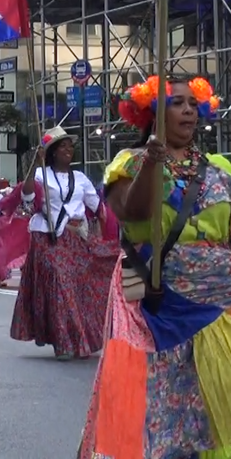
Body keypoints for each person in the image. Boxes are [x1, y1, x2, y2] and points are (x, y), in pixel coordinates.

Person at [79, 76, 231, 458]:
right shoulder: (129, 163)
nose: (188, 111)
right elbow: (133, 211)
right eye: (177, 103)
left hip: (218, 309)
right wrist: (152, 160)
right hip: (154, 310)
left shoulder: (220, 169)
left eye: (193, 104)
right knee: (157, 418)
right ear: (153, 112)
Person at [10, 126, 118, 360]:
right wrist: (34, 165)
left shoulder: (80, 179)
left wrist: (107, 233)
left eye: (70, 146)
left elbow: (97, 207)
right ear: (52, 152)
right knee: (61, 283)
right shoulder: (41, 175)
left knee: (78, 288)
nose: (68, 149)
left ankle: (80, 338)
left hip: (75, 238)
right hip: (47, 237)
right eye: (62, 146)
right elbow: (27, 197)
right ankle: (65, 342)